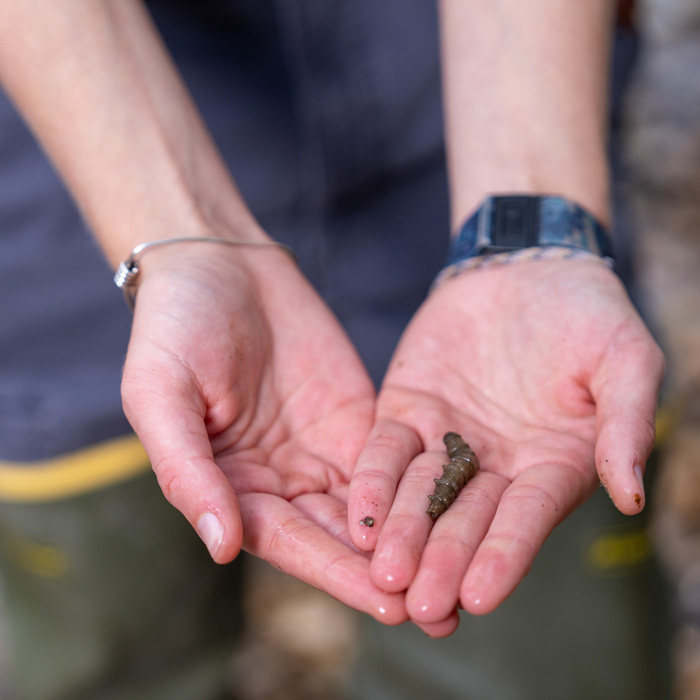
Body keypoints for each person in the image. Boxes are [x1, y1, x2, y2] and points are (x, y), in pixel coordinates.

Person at [0, 1, 670, 698]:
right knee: (118, 653)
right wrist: (176, 234)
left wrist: (531, 219)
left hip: (450, 142)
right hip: (69, 168)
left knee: (525, 648)